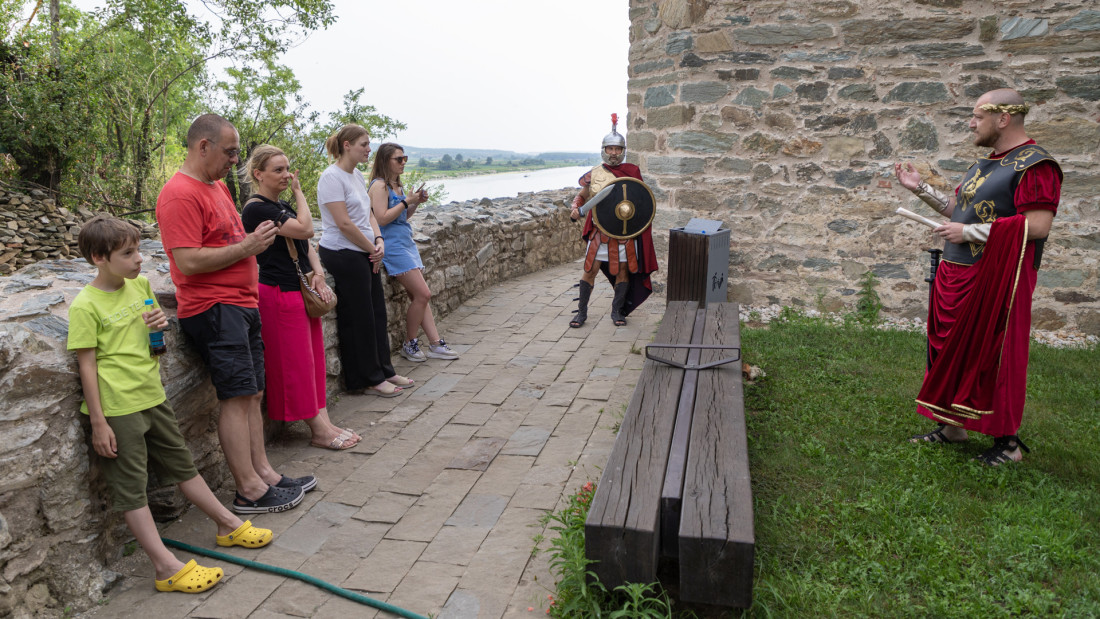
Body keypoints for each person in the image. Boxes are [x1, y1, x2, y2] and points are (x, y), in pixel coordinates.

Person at [68, 215, 274, 594]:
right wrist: (99, 421)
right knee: (132, 488)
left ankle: (227, 524)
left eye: (138, 251)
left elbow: (151, 340)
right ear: (99, 258)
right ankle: (165, 566)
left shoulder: (140, 284)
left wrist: (157, 328)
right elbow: (87, 364)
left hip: (153, 396)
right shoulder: (85, 305)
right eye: (128, 254)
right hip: (119, 409)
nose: (139, 260)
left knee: (183, 465)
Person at [156, 114, 315, 513]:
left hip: (242, 305)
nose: (234, 160)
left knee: (253, 391)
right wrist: (247, 249)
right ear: (203, 146)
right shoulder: (178, 193)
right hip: (214, 307)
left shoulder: (216, 188)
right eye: (229, 152)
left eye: (237, 152)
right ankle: (248, 490)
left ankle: (265, 474)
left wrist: (248, 247)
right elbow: (188, 262)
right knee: (237, 395)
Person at [895, 88, 1061, 466]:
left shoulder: (1035, 165)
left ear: (1003, 118)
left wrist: (969, 234)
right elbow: (960, 210)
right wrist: (919, 188)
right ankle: (953, 427)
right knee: (950, 352)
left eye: (977, 116)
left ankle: (1009, 444)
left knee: (995, 355)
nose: (971, 123)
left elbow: (1037, 224)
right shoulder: (987, 164)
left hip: (998, 278)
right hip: (958, 272)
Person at [240, 145, 361, 450]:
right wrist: (301, 194)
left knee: (312, 361)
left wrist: (318, 273)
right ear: (259, 174)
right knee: (295, 363)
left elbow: (306, 247)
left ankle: (324, 420)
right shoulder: (257, 208)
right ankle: (317, 429)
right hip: (278, 292)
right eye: (278, 170)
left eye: (287, 168)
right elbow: (306, 230)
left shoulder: (278, 206)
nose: (286, 175)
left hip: (299, 289)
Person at [316, 124, 414, 396]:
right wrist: (371, 248)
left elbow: (370, 214)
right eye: (364, 144)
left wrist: (378, 239)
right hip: (342, 252)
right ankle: (367, 378)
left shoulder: (357, 176)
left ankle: (385, 370)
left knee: (376, 313)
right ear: (346, 145)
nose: (368, 149)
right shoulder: (331, 178)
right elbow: (344, 224)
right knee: (359, 317)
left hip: (365, 249)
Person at [368, 143, 459, 362]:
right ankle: (409, 344)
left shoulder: (395, 184)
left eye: (404, 158)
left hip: (405, 242)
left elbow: (400, 217)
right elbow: (380, 218)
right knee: (423, 294)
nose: (403, 163)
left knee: (418, 296)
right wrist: (405, 202)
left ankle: (435, 343)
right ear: (385, 161)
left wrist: (414, 203)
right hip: (392, 246)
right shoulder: (379, 186)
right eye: (398, 159)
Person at [568, 113, 659, 327]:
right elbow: (582, 196)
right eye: (610, 149)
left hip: (624, 232)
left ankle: (617, 312)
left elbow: (641, 202)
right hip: (600, 231)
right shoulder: (596, 173)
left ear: (623, 151)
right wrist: (575, 207)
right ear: (604, 150)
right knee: (589, 270)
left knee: (623, 271)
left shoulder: (632, 172)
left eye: (618, 149)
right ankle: (581, 313)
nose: (614, 153)